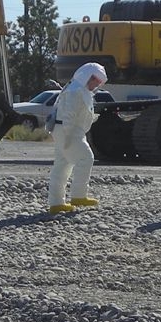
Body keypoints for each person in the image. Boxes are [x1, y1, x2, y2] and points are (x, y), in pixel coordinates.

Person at [47, 62, 108, 214]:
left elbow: (78, 113)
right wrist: (68, 136)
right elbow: (69, 114)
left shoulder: (77, 89)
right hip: (70, 131)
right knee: (86, 158)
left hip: (66, 130)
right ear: (89, 77)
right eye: (96, 81)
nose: (97, 85)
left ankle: (56, 203)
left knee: (62, 165)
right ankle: (79, 196)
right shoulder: (76, 91)